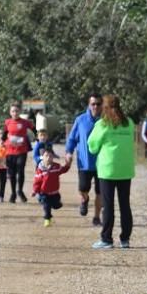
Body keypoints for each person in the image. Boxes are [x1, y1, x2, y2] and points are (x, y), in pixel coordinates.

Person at [87, 94, 136, 249]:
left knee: (108, 205)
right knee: (125, 205)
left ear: (105, 107)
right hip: (125, 169)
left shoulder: (102, 124)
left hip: (108, 170)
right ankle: (125, 239)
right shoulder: (129, 123)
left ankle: (107, 239)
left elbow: (92, 146)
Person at [65, 93, 103, 226]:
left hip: (102, 164)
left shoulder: (106, 121)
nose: (96, 106)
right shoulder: (80, 120)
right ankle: (84, 200)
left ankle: (97, 217)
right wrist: (69, 152)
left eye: (98, 104)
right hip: (85, 163)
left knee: (101, 192)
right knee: (83, 189)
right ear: (89, 105)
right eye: (93, 104)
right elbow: (72, 139)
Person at [31, 146, 73, 226]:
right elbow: (37, 181)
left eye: (50, 156)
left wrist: (68, 163)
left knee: (56, 205)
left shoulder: (56, 167)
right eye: (46, 156)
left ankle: (56, 204)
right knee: (47, 206)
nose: (48, 158)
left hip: (55, 192)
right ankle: (47, 219)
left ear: (53, 157)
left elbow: (64, 170)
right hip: (44, 192)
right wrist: (35, 191)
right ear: (42, 157)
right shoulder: (40, 169)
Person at [3, 102, 35, 203]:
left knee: (20, 171)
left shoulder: (25, 122)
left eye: (16, 111)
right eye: (13, 111)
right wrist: (1, 142)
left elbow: (35, 130)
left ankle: (20, 191)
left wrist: (39, 138)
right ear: (10, 112)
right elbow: (4, 135)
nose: (15, 113)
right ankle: (13, 193)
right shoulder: (7, 122)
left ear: (19, 112)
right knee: (12, 174)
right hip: (10, 151)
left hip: (22, 151)